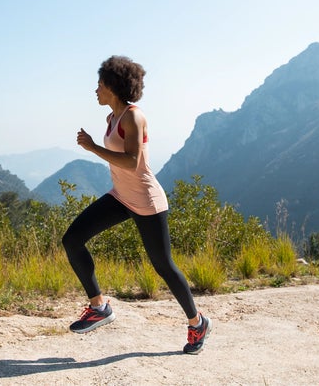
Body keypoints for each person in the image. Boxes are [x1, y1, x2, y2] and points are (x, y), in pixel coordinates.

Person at [62, 55, 211, 355]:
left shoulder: (133, 117)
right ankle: (99, 307)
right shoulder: (112, 118)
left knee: (163, 266)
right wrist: (97, 145)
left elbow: (132, 162)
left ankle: (198, 323)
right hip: (121, 196)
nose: (96, 90)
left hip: (146, 201)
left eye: (100, 84)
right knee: (72, 240)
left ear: (114, 86)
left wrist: (93, 147)